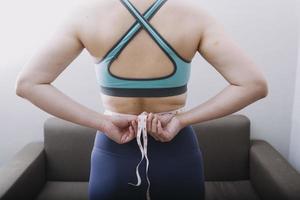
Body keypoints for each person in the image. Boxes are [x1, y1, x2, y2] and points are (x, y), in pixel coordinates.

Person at [15, 0, 268, 199]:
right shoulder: (194, 16)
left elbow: (29, 84)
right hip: (177, 149)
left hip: (113, 150)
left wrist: (103, 123)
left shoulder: (85, 14)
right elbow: (254, 85)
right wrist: (181, 121)